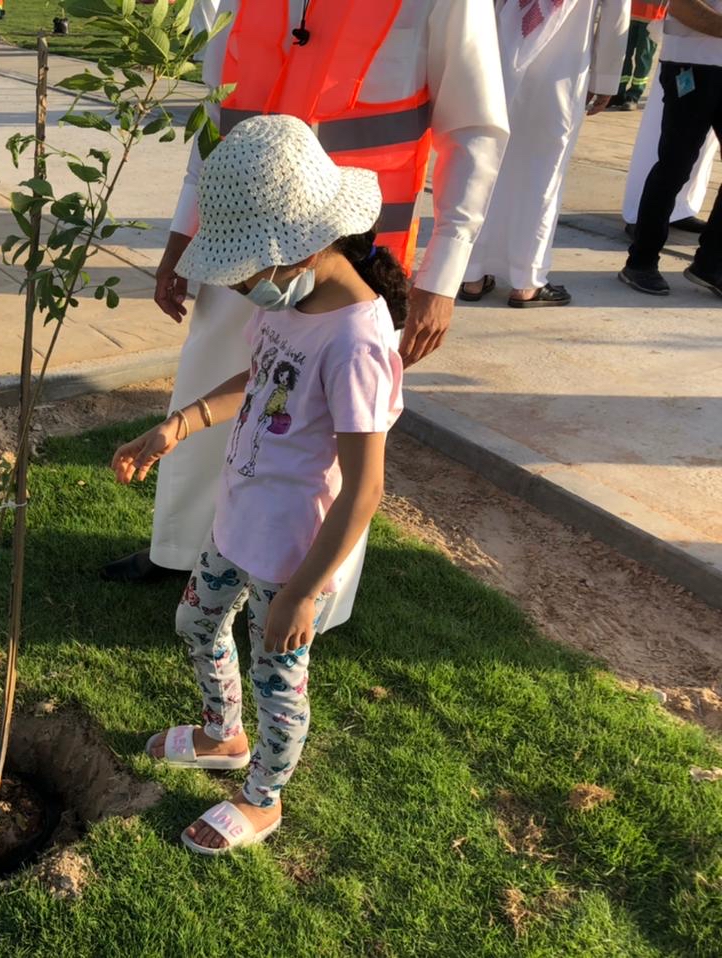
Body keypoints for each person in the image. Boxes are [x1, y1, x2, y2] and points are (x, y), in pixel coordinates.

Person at [101, 0, 509, 584]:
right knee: (216, 377)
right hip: (237, 244)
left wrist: (443, 276)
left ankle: (311, 588)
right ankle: (184, 553)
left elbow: (474, 130)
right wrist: (183, 236)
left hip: (350, 253)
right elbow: (215, 120)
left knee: (324, 427)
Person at [111, 116, 404, 853]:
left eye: (246, 272)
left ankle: (264, 798)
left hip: (290, 557)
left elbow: (365, 489)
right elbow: (259, 379)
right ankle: (222, 734)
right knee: (195, 624)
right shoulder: (295, 306)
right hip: (235, 522)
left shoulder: (357, 343)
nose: (242, 287)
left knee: (280, 680)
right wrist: (179, 425)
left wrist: (305, 592)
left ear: (302, 247)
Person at [459, 0, 629, 309]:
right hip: (561, 73)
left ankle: (471, 272)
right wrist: (606, 79)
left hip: (497, 59)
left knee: (486, 166)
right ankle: (527, 280)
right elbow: (616, 14)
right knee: (543, 175)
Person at [621, 0, 722, 295]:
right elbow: (680, 5)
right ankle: (641, 262)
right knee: (675, 166)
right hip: (692, 66)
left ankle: (711, 264)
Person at [622, 75, 717, 233]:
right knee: (666, 137)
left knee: (704, 143)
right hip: (688, 65)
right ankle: (642, 214)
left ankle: (679, 209)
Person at [610, 0, 669, 108]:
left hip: (652, 18)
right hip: (628, 14)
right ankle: (618, 92)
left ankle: (634, 95)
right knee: (623, 54)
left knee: (643, 58)